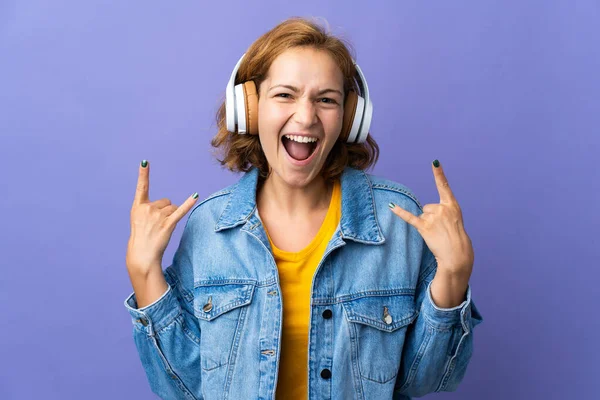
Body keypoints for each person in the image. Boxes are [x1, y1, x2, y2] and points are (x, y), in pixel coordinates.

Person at [124, 16, 483, 400]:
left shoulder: (397, 221)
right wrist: (145, 274)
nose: (306, 116)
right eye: (285, 95)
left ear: (348, 118)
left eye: (326, 99)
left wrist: (454, 277)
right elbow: (186, 389)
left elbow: (426, 382)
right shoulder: (208, 228)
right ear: (250, 107)